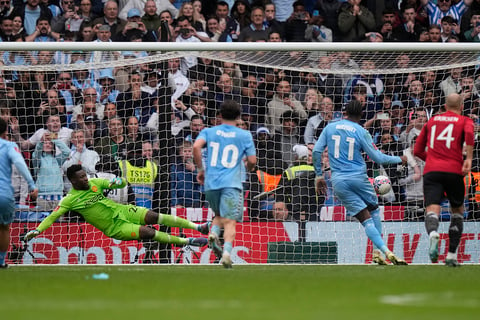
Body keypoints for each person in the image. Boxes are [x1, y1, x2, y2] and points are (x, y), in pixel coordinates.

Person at [313, 100, 409, 265]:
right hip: (359, 178)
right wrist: (400, 158)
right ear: (361, 114)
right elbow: (378, 158)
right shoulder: (361, 131)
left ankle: (383, 251)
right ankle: (379, 252)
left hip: (339, 182)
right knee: (374, 211)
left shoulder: (329, 128)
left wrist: (319, 176)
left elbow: (316, 151)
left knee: (365, 220)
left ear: (345, 113)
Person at [24, 164, 210, 249]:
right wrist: (38, 231)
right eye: (81, 178)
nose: (85, 179)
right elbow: (52, 217)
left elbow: (122, 182)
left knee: (153, 216)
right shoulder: (69, 200)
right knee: (147, 232)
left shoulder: (96, 182)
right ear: (73, 181)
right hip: (114, 227)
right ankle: (187, 242)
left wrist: (116, 181)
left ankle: (198, 227)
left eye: (85, 175)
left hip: (122, 211)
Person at [193, 100, 256, 268]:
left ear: (220, 115)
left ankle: (213, 233)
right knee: (229, 221)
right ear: (238, 116)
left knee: (219, 216)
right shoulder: (244, 135)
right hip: (231, 184)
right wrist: (248, 168)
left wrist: (200, 169)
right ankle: (227, 253)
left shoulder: (209, 131)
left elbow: (196, 147)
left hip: (211, 184)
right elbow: (252, 161)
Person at [413, 93, 475, 267]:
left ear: (445, 106)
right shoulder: (465, 121)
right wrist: (468, 159)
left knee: (432, 209)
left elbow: (417, 149)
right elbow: (470, 134)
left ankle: (433, 233)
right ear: (461, 106)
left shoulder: (432, 121)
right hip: (454, 171)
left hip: (432, 172)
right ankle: (451, 255)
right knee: (457, 211)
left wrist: (432, 159)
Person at [0, 118, 38, 268]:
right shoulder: (9, 145)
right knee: (3, 228)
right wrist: (31, 185)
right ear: (5, 132)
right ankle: (1, 262)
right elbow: (21, 164)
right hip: (4, 194)